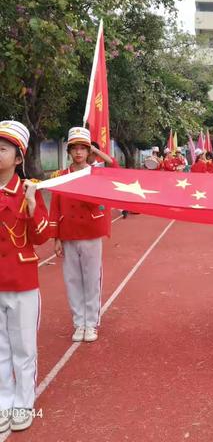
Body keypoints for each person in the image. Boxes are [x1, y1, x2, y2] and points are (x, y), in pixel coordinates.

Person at [0, 120, 50, 432]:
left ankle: (23, 403)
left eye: (2, 149)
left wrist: (32, 206)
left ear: (18, 158)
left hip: (21, 282)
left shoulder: (29, 191)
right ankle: (3, 402)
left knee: (23, 348)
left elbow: (42, 236)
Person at [49, 127, 109, 343]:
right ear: (69, 152)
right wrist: (55, 236)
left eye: (83, 148)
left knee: (92, 280)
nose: (78, 153)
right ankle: (78, 322)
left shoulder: (97, 173)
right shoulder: (60, 176)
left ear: (89, 151)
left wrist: (97, 151)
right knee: (72, 280)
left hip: (91, 232)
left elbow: (116, 167)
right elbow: (54, 206)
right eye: (74, 148)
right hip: (68, 233)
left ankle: (91, 323)